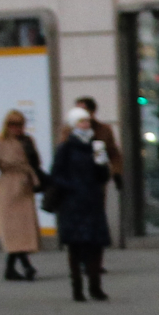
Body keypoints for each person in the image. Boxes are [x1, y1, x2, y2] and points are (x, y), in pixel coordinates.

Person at [48, 103, 114, 302]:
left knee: (96, 245)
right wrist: (73, 186)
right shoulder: (66, 147)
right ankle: (77, 287)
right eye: (82, 121)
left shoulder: (96, 145)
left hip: (93, 202)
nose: (86, 124)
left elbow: (103, 175)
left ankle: (95, 286)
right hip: (73, 203)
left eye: (87, 121)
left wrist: (101, 161)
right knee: (76, 247)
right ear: (74, 124)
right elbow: (56, 175)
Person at [0, 110, 43, 281]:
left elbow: (36, 163)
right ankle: (26, 266)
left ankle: (11, 268)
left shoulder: (28, 141)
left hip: (25, 188)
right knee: (14, 232)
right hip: (8, 189)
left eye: (20, 125)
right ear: (6, 126)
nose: (17, 128)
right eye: (13, 125)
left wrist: (36, 179)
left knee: (23, 232)